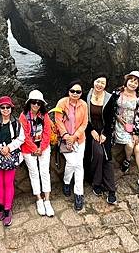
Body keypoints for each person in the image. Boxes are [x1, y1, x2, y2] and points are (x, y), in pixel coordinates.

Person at [104, 71, 139, 195]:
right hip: (119, 125)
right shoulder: (117, 92)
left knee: (137, 147)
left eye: (136, 82)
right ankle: (128, 160)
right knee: (130, 145)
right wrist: (118, 118)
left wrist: (135, 132)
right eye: (131, 80)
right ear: (126, 80)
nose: (133, 84)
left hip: (133, 126)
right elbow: (110, 108)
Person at [0, 96, 25, 227]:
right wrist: (0, 148)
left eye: (7, 107)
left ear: (11, 108)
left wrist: (9, 148)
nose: (5, 110)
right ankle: (1, 206)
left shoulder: (16, 122)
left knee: (8, 183)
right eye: (2, 107)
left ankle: (8, 210)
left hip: (10, 157)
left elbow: (21, 138)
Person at [19, 90, 55, 217]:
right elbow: (25, 136)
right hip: (29, 149)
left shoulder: (44, 115)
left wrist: (42, 147)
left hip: (43, 147)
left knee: (45, 172)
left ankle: (47, 199)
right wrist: (35, 148)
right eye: (33, 102)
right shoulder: (23, 117)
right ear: (29, 103)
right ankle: (39, 199)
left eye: (38, 103)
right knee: (34, 173)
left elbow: (47, 132)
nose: (36, 105)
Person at [54, 80, 88, 211]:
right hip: (65, 139)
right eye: (72, 91)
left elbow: (84, 123)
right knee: (75, 164)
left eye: (78, 91)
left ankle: (77, 192)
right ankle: (68, 182)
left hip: (79, 140)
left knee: (77, 165)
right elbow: (58, 121)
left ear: (81, 93)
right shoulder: (61, 103)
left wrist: (75, 136)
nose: (75, 93)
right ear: (68, 91)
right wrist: (67, 136)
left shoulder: (84, 105)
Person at [85, 74, 117, 204]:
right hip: (90, 131)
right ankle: (97, 182)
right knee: (98, 153)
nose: (99, 85)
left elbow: (111, 120)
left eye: (102, 83)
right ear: (93, 81)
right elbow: (83, 118)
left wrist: (104, 134)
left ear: (106, 86)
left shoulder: (110, 98)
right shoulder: (86, 96)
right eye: (98, 81)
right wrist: (91, 130)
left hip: (105, 131)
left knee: (106, 156)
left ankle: (111, 190)